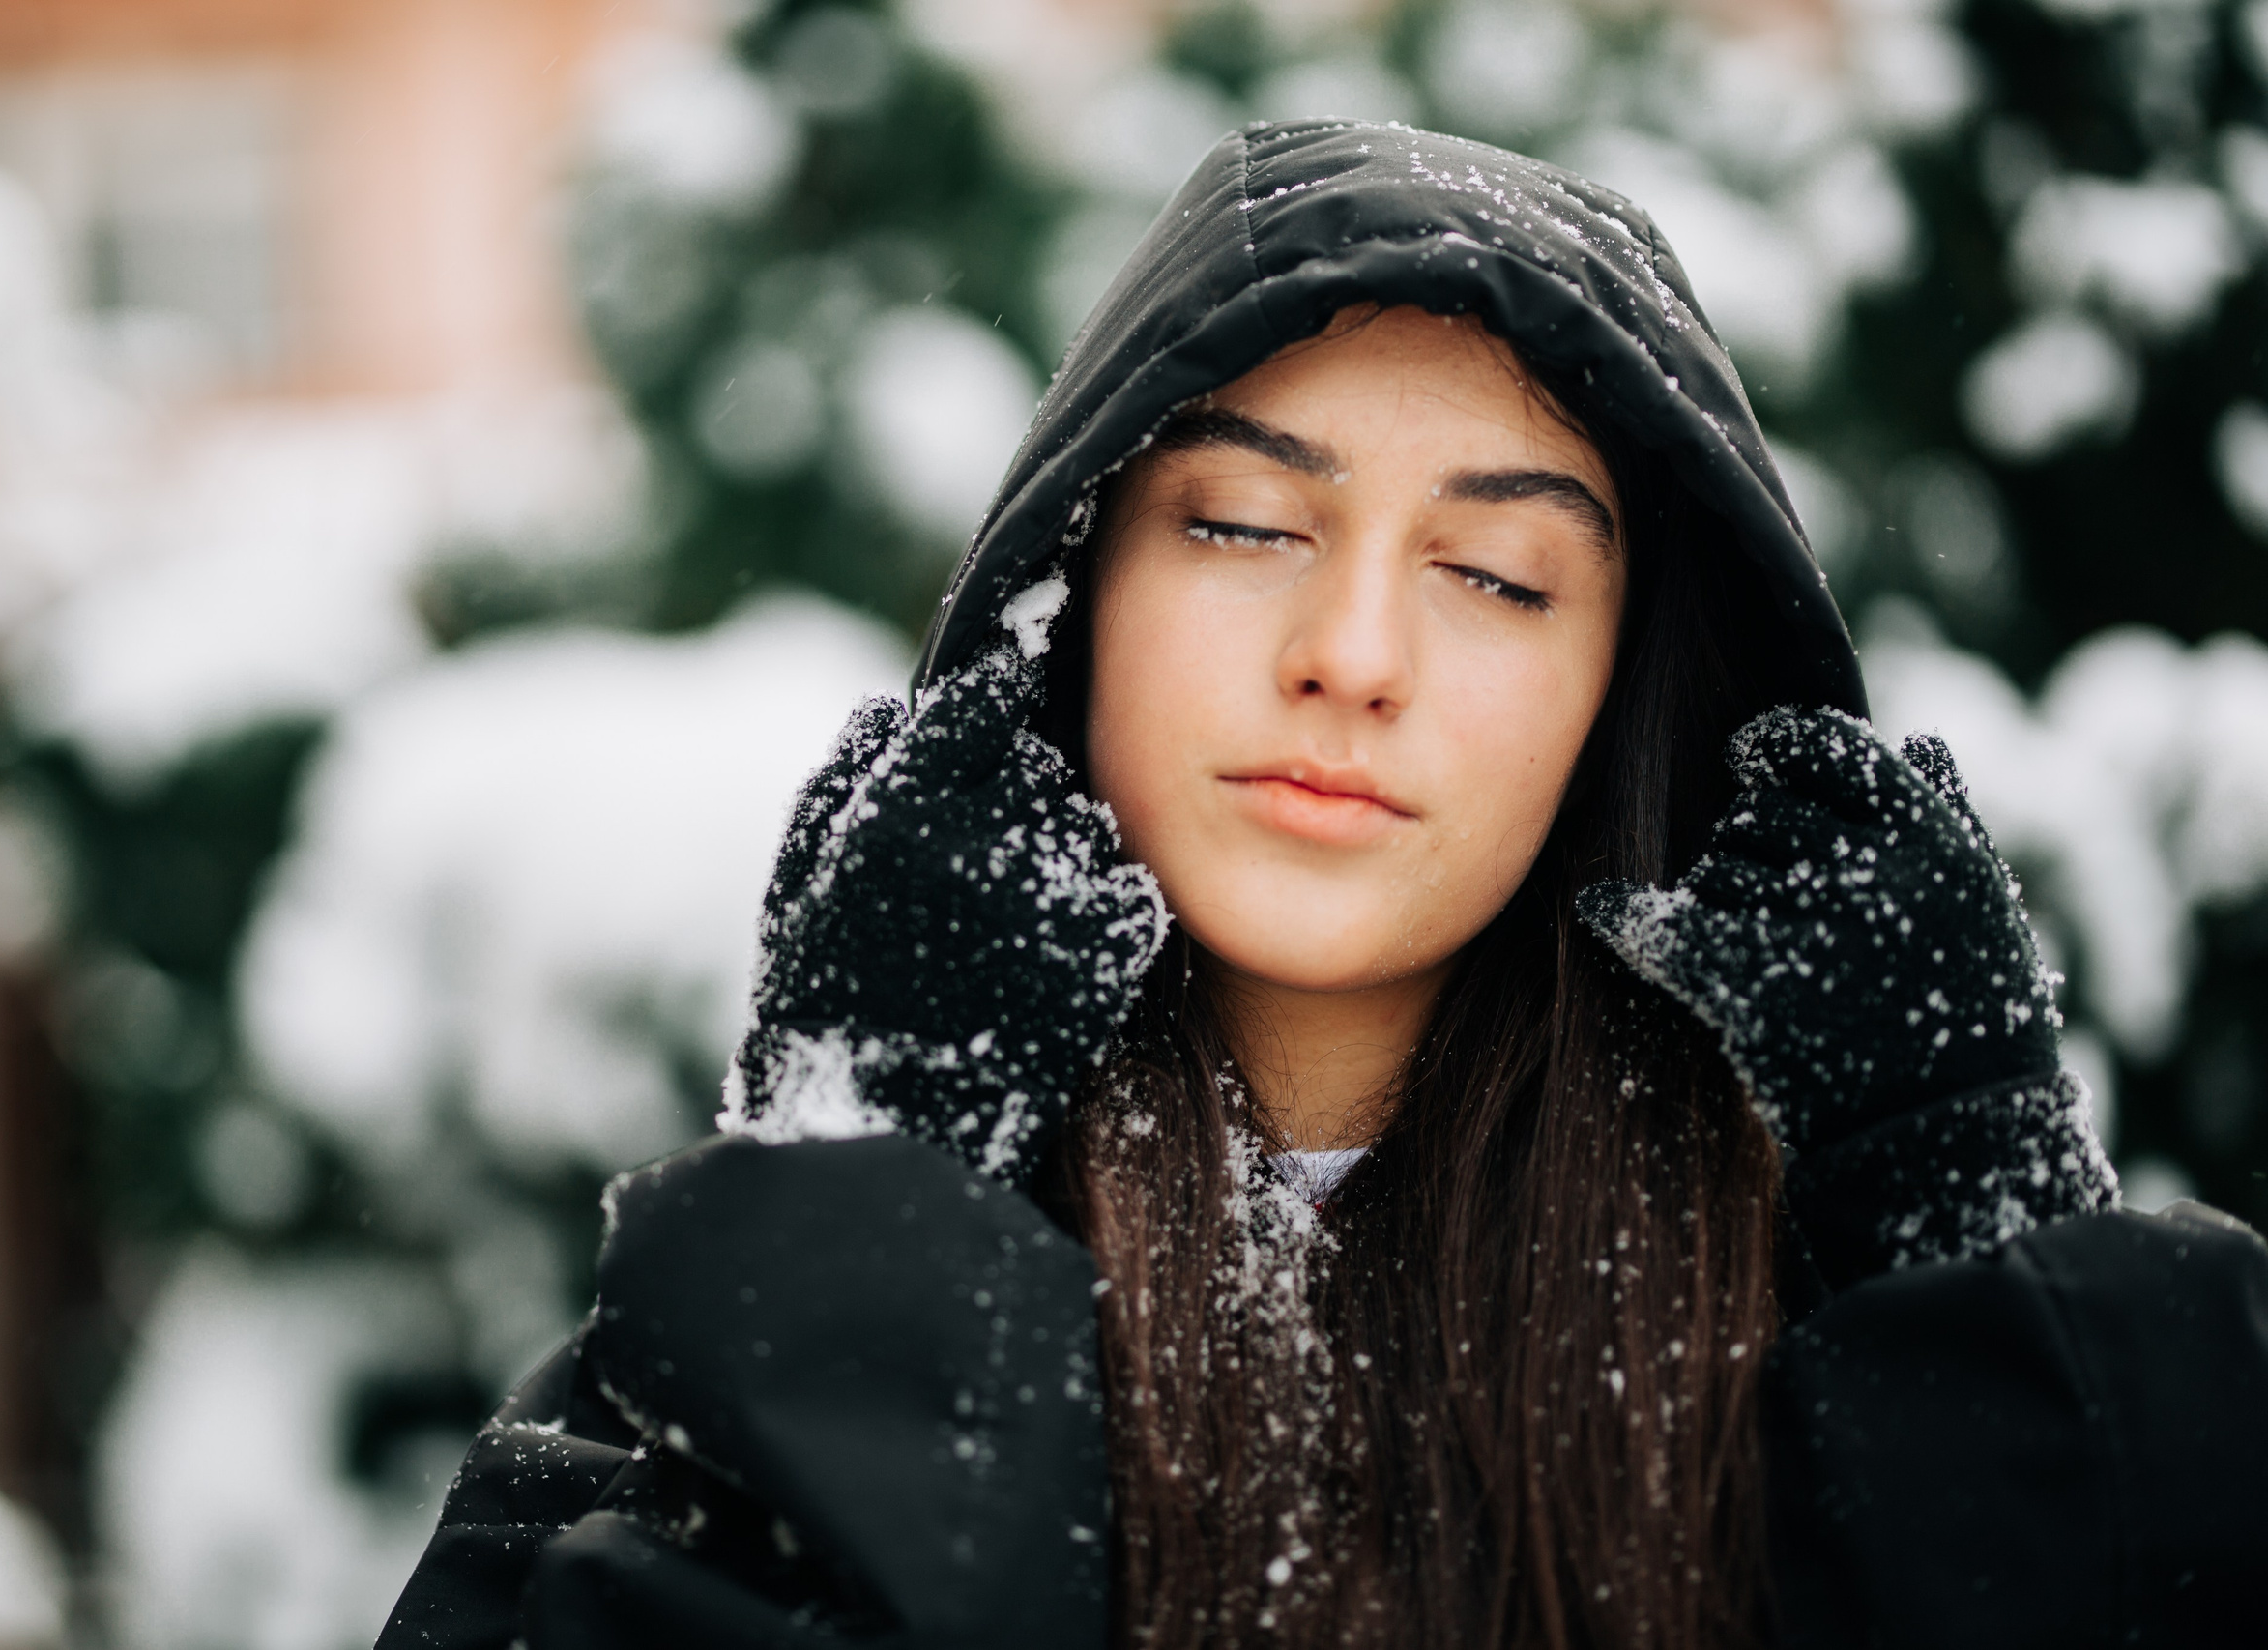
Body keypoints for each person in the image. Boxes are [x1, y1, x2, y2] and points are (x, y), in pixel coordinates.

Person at [377, 121, 2268, 1650]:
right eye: (1242, 524)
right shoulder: (707, 1379)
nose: (1352, 653)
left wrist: (1987, 1250)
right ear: (1073, 596)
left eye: (1497, 576)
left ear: (1626, 693)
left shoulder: (1832, 1370)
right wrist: (871, 1182)